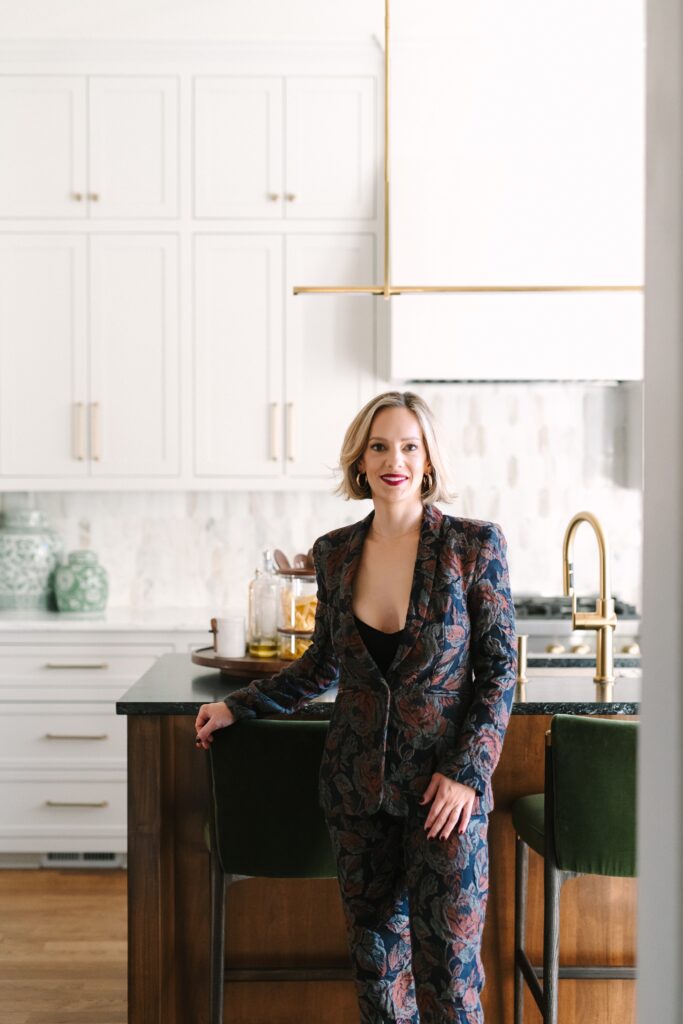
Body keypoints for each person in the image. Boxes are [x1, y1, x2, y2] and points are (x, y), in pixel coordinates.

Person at [195, 390, 517, 1024]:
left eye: (409, 446)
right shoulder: (335, 552)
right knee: (378, 977)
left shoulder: (473, 546)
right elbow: (323, 663)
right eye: (379, 446)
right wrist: (239, 706)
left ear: (428, 460)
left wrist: (467, 773)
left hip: (444, 796)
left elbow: (500, 671)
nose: (394, 460)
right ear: (360, 461)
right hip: (356, 791)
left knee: (450, 980)